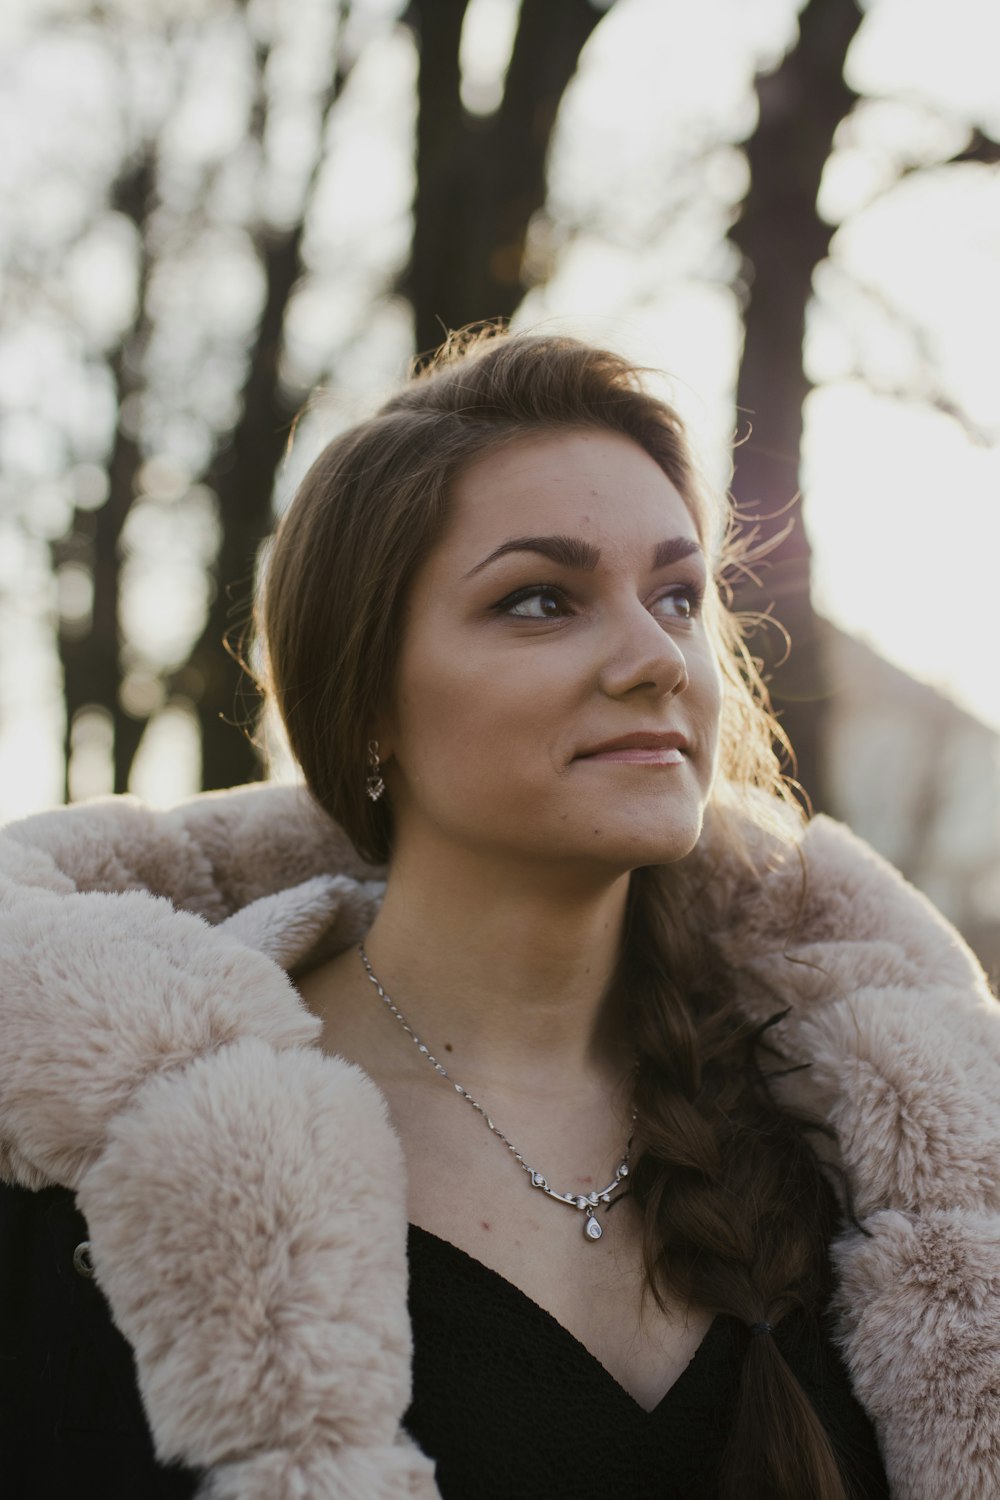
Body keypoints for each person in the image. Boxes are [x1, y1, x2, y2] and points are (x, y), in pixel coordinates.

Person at [0, 328, 997, 1500]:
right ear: (364, 698)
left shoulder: (880, 1152)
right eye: (540, 600)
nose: (654, 657)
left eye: (677, 596)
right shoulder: (101, 1168)